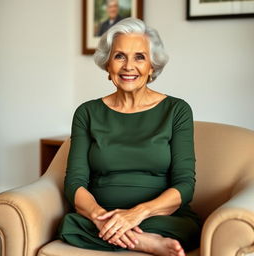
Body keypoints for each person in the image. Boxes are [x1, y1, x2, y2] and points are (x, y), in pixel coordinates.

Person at [58, 18, 201, 256]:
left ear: (152, 66)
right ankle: (145, 242)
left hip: (157, 216)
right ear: (107, 65)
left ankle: (126, 234)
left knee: (185, 227)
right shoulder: (87, 112)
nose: (128, 66)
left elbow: (185, 185)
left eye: (140, 57)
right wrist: (100, 217)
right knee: (69, 223)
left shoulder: (177, 110)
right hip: (102, 214)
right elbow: (74, 182)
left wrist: (137, 213)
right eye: (119, 56)